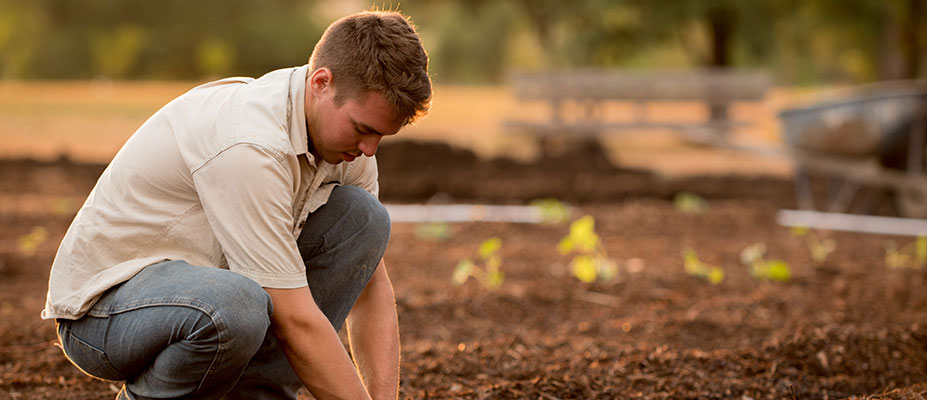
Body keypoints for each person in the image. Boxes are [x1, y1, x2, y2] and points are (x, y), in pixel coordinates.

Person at [41, 10, 431, 400]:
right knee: (237, 306)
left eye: (380, 135)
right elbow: (295, 318)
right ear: (321, 82)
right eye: (363, 129)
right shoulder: (250, 145)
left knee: (363, 218)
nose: (369, 149)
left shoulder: (347, 146)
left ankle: (256, 395)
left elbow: (370, 283)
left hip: (203, 291)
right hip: (106, 312)